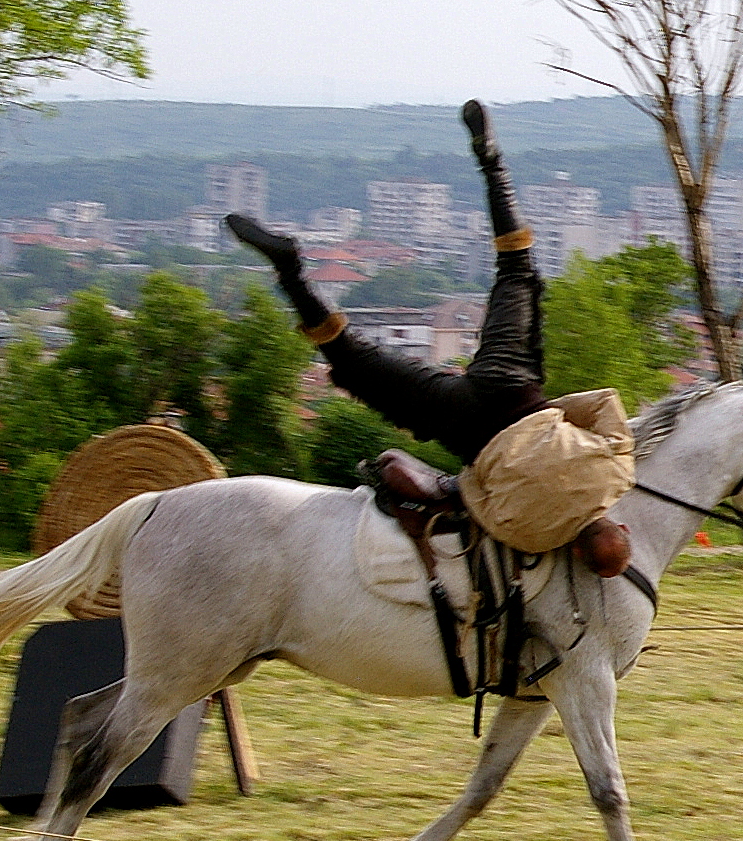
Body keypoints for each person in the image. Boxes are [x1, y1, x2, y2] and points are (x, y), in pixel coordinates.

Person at [226, 100, 631, 575]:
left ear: (621, 529)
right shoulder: (535, 534)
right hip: (461, 425)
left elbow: (603, 403)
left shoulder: (617, 474)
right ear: (579, 553)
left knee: (516, 268)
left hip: (514, 389)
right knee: (351, 362)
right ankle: (290, 270)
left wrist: (553, 418)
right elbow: (473, 497)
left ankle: (491, 160)